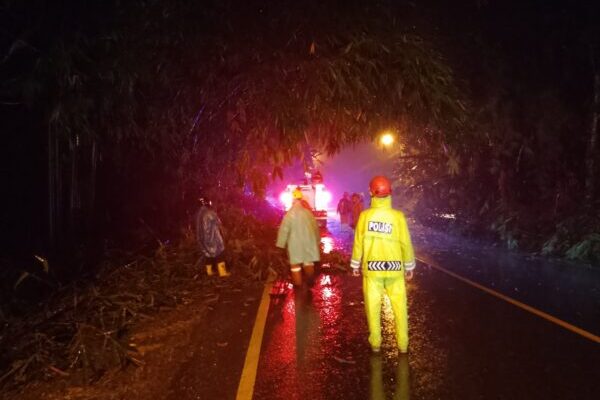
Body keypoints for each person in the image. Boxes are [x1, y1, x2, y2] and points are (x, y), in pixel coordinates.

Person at [350, 176, 416, 353]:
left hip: (372, 271)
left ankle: (376, 344)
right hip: (395, 270)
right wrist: (409, 266)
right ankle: (403, 345)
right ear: (390, 193)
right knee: (400, 308)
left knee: (373, 308)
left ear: (371, 192)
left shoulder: (365, 217)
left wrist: (355, 265)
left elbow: (358, 243)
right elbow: (406, 243)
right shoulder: (398, 217)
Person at [276, 188, 321, 287]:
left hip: (294, 244)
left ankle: (299, 288)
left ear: (293, 200)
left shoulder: (289, 215)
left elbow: (284, 230)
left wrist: (280, 245)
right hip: (309, 243)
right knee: (308, 262)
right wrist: (318, 240)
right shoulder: (308, 213)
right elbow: (315, 227)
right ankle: (310, 281)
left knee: (295, 266)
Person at [195, 196, 230, 277]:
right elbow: (218, 223)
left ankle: (209, 272)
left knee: (208, 255)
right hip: (213, 238)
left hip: (203, 239)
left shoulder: (199, 214)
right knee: (220, 253)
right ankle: (222, 272)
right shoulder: (209, 213)